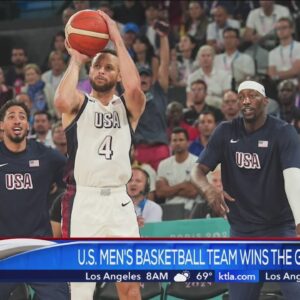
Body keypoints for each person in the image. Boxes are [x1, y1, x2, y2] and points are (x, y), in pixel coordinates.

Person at [54, 10, 145, 300]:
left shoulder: (129, 107)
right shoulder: (79, 104)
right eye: (97, 66)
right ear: (90, 73)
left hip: (119, 201)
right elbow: (61, 100)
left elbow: (134, 87)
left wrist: (116, 37)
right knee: (81, 289)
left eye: (108, 67)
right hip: (84, 200)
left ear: (118, 75)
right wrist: (76, 59)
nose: (102, 71)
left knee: (130, 285)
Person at [191, 80, 300, 300]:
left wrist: (299, 221)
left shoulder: (284, 132)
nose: (246, 101)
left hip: (281, 228)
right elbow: (197, 171)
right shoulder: (225, 131)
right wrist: (209, 190)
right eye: (242, 97)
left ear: (266, 102)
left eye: (253, 96)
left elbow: (293, 177)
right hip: (243, 233)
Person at [0, 99, 68, 299]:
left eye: (22, 117)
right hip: (4, 248)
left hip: (38, 246)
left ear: (28, 125)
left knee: (60, 295)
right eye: (11, 116)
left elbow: (75, 181)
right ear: (2, 125)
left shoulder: (47, 156)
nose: (17, 120)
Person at [156, 127, 201, 215]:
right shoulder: (163, 164)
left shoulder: (197, 162)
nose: (177, 143)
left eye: (181, 140)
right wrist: (183, 185)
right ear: (170, 144)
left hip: (192, 208)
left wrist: (169, 189)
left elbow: (193, 192)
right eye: (174, 140)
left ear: (188, 143)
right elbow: (160, 192)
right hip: (170, 208)